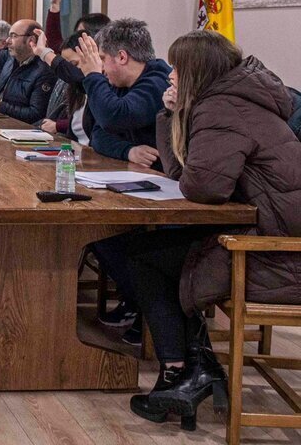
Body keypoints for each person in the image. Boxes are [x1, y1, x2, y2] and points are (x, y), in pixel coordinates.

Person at [125, 31, 301, 430]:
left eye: (176, 67)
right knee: (151, 251)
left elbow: (204, 187)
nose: (169, 75)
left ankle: (184, 373)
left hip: (277, 255)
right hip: (266, 236)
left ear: (195, 72)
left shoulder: (222, 108)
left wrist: (178, 117)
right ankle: (193, 372)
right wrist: (170, 116)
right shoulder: (231, 100)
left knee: (146, 258)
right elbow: (185, 175)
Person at [76, 18, 171, 169]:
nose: (101, 68)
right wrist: (128, 151)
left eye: (102, 59)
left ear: (122, 57)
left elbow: (113, 117)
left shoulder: (159, 82)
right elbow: (97, 134)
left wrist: (93, 75)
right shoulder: (120, 83)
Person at [0, 19, 56, 124]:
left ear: (31, 40)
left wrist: (0, 106)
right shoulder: (11, 59)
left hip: (20, 129)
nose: (7, 41)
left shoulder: (44, 71)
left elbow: (36, 114)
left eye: (14, 36)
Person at [35, 32, 93, 145]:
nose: (67, 72)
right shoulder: (75, 89)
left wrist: (43, 52)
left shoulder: (99, 86)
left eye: (74, 64)